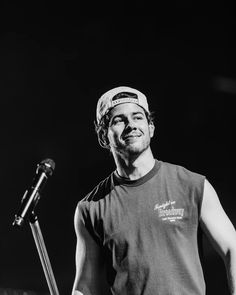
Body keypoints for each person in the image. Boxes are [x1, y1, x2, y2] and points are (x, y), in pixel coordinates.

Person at [72, 86, 236, 295]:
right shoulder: (90, 209)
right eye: (119, 120)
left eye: (138, 117)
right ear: (103, 136)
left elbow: (233, 248)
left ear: (151, 128)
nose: (131, 125)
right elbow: (85, 286)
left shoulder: (192, 185)